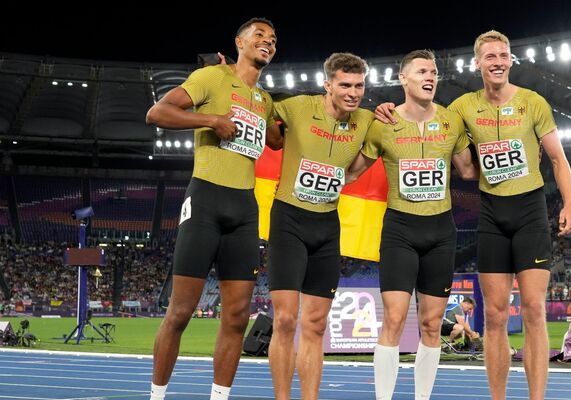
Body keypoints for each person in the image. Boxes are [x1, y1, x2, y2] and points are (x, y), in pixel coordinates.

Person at [373, 30, 571, 400]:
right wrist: (386, 109)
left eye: (503, 55)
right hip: (492, 216)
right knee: (495, 316)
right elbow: (428, 124)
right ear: (478, 63)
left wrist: (570, 203)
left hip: (530, 213)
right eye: (490, 56)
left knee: (533, 309)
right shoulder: (461, 109)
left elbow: (559, 159)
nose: (498, 61)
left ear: (510, 60)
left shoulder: (533, 103)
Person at [145, 18, 277, 400]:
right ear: (239, 42)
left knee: (236, 318)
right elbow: (157, 113)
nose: (267, 42)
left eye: (272, 39)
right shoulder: (211, 77)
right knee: (180, 312)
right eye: (259, 36)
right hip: (205, 201)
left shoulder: (265, 101)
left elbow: (281, 140)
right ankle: (157, 395)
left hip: (245, 210)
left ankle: (219, 397)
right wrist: (211, 120)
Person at [346, 49, 477, 400]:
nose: (430, 77)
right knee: (393, 319)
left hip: (440, 232)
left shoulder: (451, 121)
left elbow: (468, 171)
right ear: (403, 79)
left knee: (432, 324)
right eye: (421, 71)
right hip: (400, 231)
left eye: (433, 72)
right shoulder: (383, 123)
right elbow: (353, 171)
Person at [265, 52, 374, 400]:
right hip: (289, 221)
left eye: (359, 85)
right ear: (327, 84)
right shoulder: (297, 107)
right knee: (284, 320)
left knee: (315, 325)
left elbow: (395, 131)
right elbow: (259, 106)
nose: (353, 92)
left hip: (327, 225)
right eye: (345, 85)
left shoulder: (369, 121)